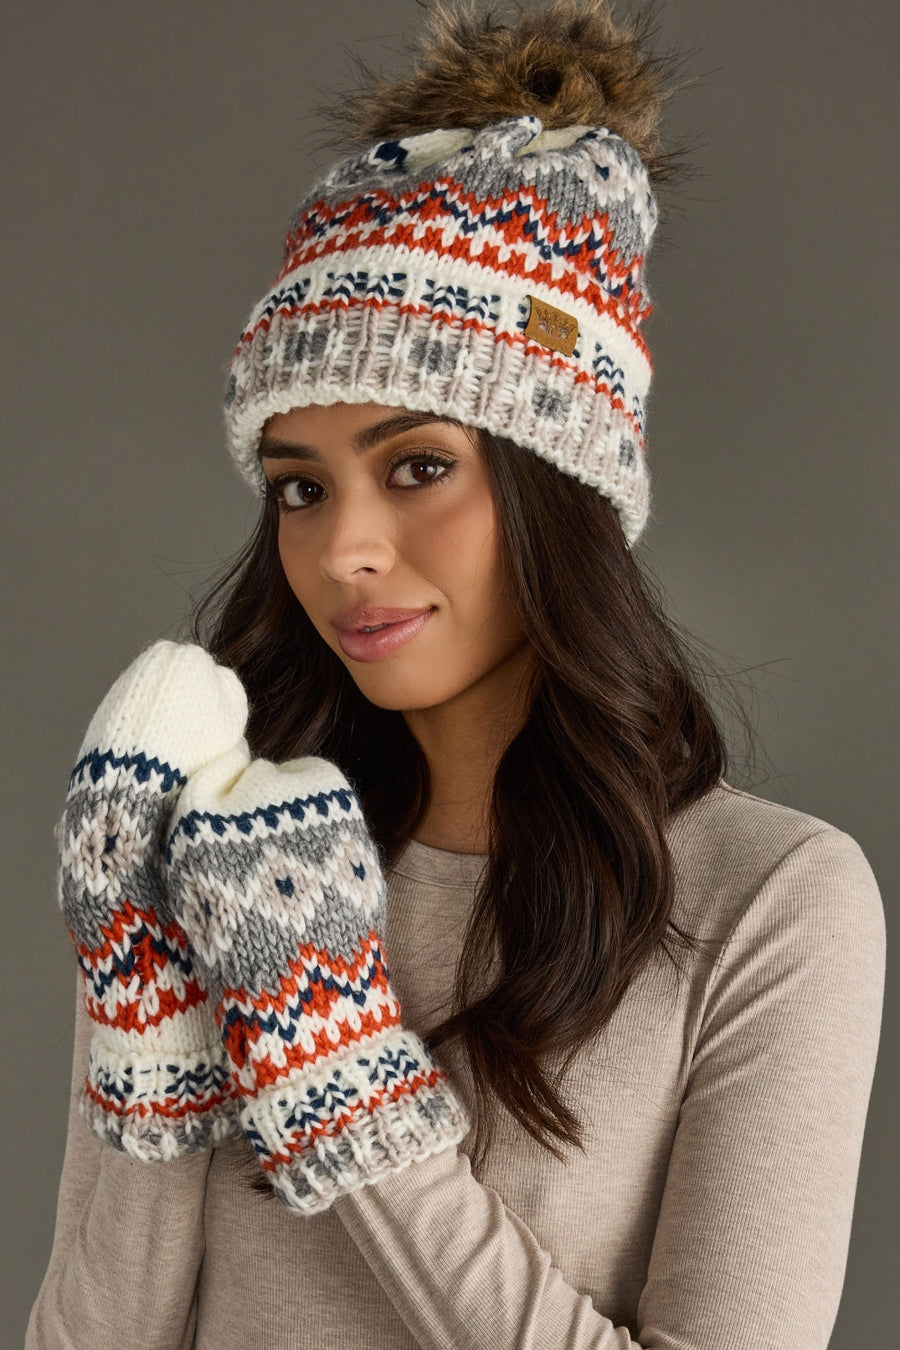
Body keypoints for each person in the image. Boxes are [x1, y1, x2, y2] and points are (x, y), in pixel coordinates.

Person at [25, 1, 886, 1347]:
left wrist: (341, 1074)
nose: (345, 549)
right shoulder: (219, 843)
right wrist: (156, 1008)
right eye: (299, 487)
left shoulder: (770, 902)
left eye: (417, 466)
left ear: (563, 487)